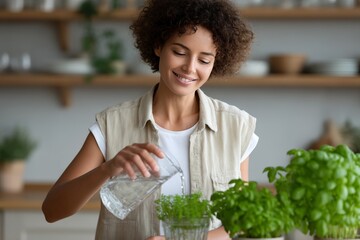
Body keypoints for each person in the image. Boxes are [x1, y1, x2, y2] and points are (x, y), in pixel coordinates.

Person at [42, 0, 258, 239]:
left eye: (204, 60)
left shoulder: (235, 126)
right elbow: (52, 210)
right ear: (158, 46)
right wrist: (108, 168)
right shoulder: (112, 124)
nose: (189, 68)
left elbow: (241, 220)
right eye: (179, 52)